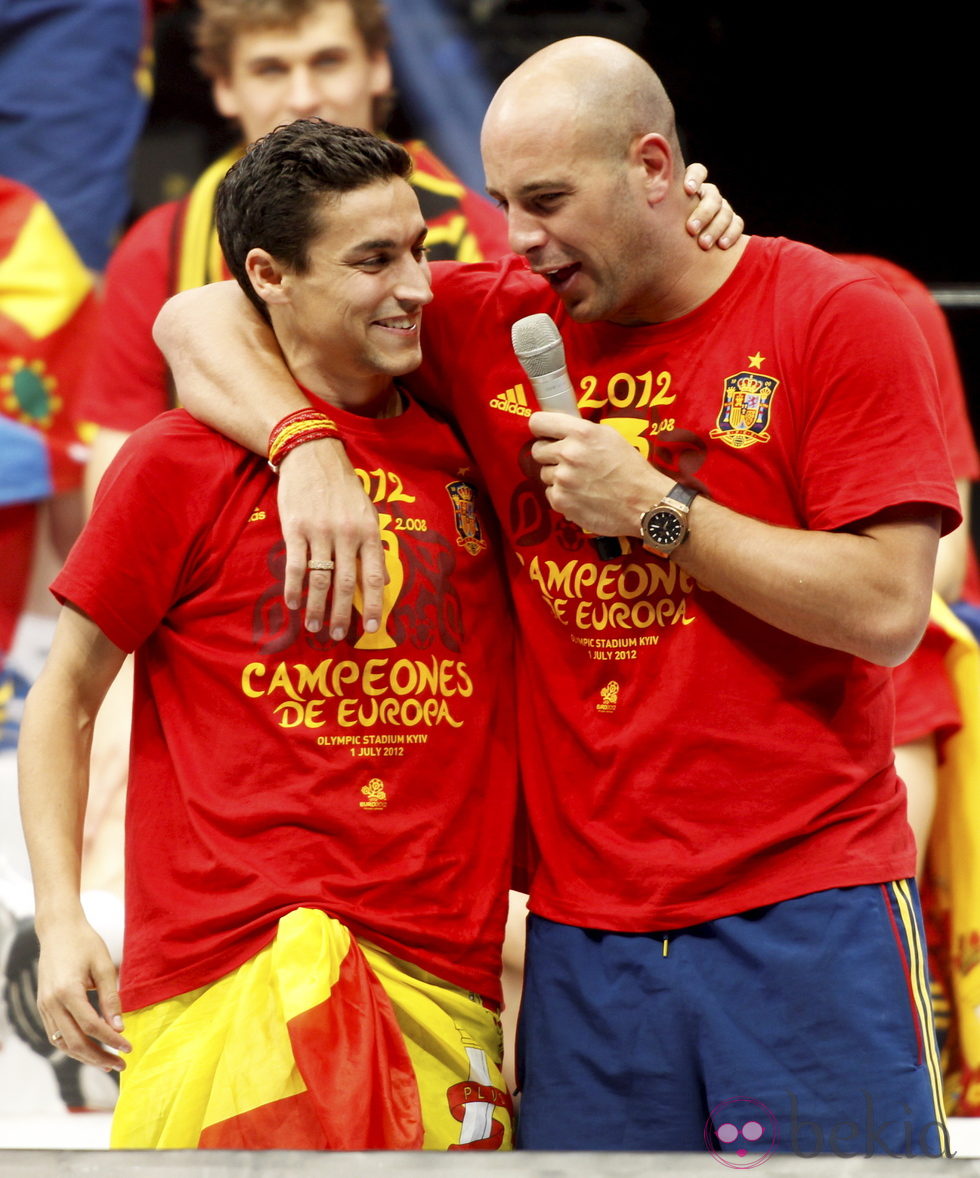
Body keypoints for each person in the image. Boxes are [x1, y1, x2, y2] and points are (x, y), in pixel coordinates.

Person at [155, 37, 961, 1156]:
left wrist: (654, 510)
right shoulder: (494, 316)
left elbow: (882, 608)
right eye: (499, 203)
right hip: (587, 935)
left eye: (544, 199)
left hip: (806, 907)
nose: (516, 237)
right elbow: (196, 321)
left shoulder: (834, 316)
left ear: (650, 167)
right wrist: (304, 446)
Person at [18, 119, 520, 1151]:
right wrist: (62, 917)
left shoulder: (464, 442)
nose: (414, 287)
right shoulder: (172, 462)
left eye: (418, 248)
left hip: (440, 971)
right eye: (371, 260)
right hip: (222, 971)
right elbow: (64, 696)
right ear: (268, 273)